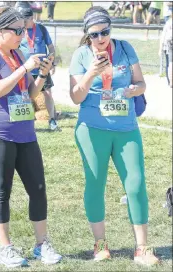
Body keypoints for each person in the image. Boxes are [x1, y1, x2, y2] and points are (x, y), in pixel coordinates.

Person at [69, 6, 160, 266]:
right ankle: (100, 245)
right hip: (92, 129)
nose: (101, 38)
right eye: (95, 34)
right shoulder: (81, 55)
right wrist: (91, 73)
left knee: (136, 182)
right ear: (87, 35)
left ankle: (142, 248)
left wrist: (134, 90)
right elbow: (76, 97)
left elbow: (142, 83)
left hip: (125, 128)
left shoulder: (124, 48)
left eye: (105, 32)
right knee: (95, 184)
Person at [0, 6, 62, 268]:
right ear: (0, 31)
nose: (22, 35)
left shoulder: (17, 53)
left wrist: (42, 73)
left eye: (24, 30)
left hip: (25, 132)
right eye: (17, 31)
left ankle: (41, 244)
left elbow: (31, 94)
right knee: (2, 190)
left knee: (38, 188)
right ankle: (6, 248)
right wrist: (24, 68)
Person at [19, 8, 59, 131]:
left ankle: (52, 120)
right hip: (26, 69)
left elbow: (51, 48)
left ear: (32, 18)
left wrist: (51, 62)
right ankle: (24, 123)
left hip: (42, 69)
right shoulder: (19, 31)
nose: (24, 24)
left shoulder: (41, 29)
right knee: (25, 95)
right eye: (23, 21)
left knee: (47, 93)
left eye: (26, 21)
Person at [159, 14, 173, 87]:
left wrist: (160, 48)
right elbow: (163, 35)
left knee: (169, 64)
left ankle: (170, 81)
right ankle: (170, 81)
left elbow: (163, 35)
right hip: (169, 44)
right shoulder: (169, 22)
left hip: (167, 44)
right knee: (170, 64)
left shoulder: (168, 22)